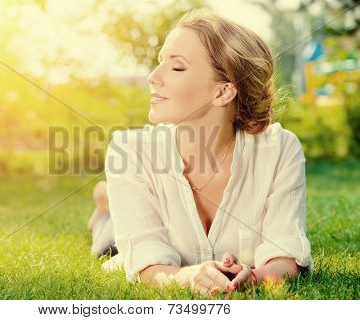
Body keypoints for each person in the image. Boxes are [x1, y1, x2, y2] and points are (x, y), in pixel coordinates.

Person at [88, 8, 313, 297]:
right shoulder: (129, 151)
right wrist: (188, 277)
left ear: (222, 92)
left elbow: (286, 256)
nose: (153, 77)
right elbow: (146, 263)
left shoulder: (280, 150)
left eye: (177, 67)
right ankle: (104, 209)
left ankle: (107, 202)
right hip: (127, 234)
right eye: (160, 63)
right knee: (107, 242)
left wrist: (255, 277)